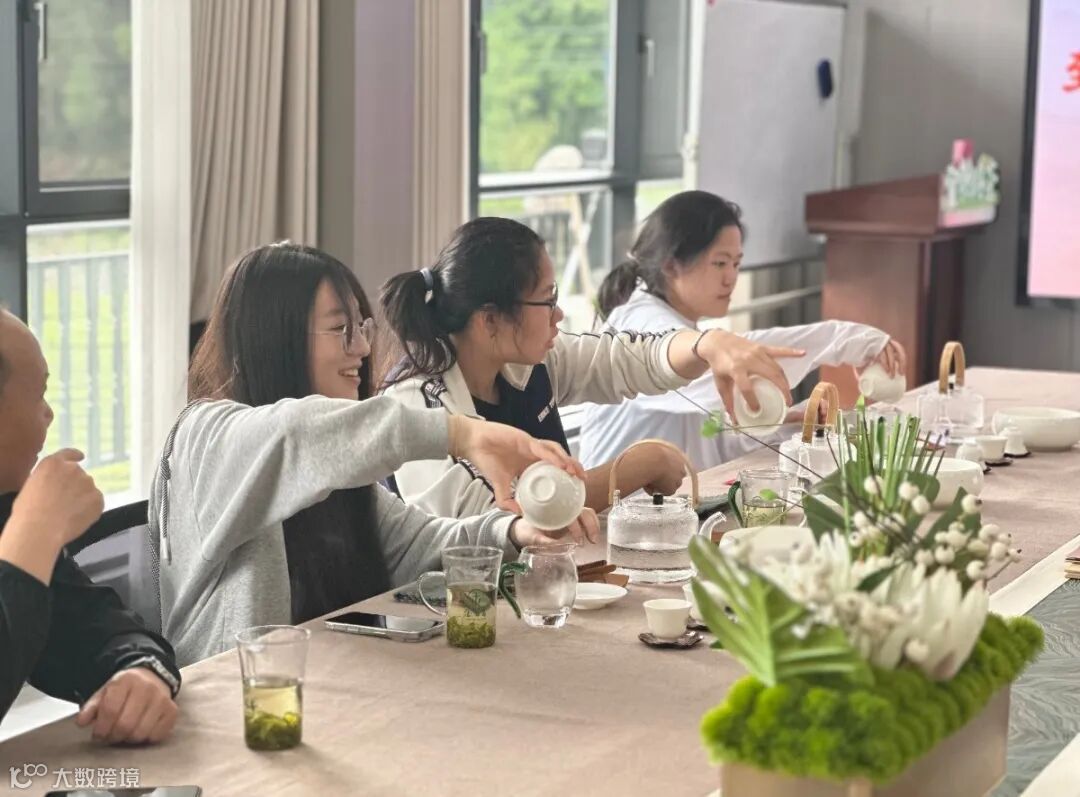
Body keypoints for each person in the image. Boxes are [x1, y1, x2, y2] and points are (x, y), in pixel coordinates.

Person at [151, 242, 588, 666]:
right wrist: (459, 433)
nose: (362, 348)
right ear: (274, 338)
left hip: (333, 686)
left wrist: (515, 532)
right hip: (236, 701)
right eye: (342, 330)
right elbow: (295, 432)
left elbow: (414, 547)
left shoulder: (334, 463)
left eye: (362, 328)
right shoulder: (204, 437)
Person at [378, 216, 802, 521]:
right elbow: (488, 524)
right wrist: (635, 468)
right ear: (490, 320)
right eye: (547, 300)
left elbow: (627, 360)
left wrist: (707, 343)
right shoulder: (418, 402)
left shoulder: (530, 361)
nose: (558, 314)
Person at [580, 190, 906, 471]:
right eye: (720, 263)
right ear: (670, 265)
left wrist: (786, 423)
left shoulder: (681, 325)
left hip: (674, 507)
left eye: (736, 263)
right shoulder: (640, 322)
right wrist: (845, 340)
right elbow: (715, 366)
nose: (731, 278)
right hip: (614, 516)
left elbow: (710, 440)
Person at [0, 309, 181, 744]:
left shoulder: (7, 513)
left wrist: (140, 672)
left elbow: (97, 628)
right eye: (39, 394)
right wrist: (34, 534)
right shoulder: (24, 525)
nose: (49, 414)